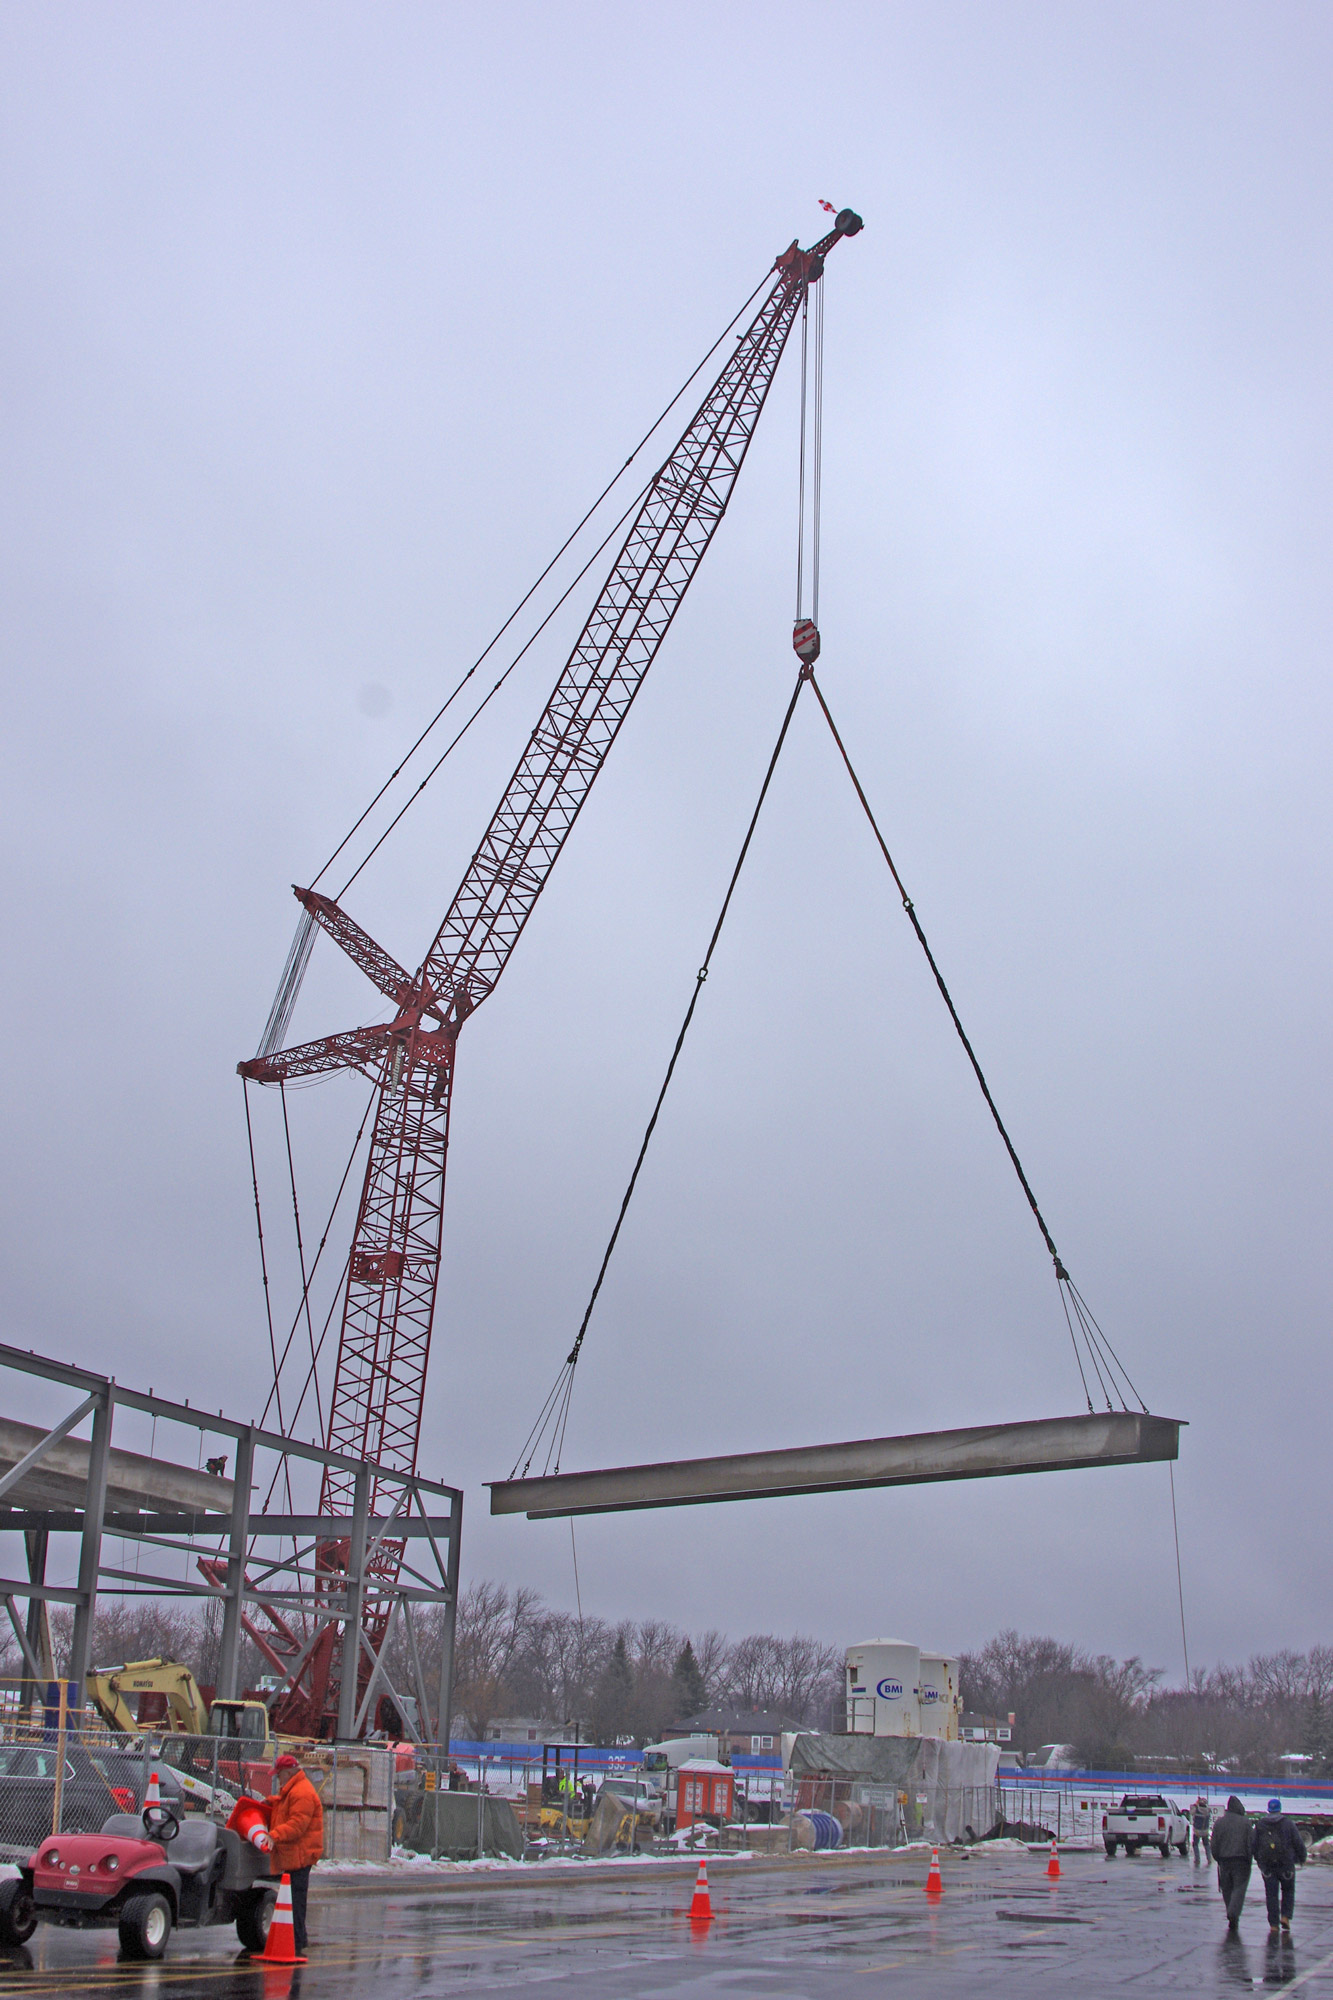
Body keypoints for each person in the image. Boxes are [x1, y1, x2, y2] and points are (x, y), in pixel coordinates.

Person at [261, 1753, 324, 1958]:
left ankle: (296, 1943)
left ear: (288, 1773)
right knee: (294, 1901)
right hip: (297, 1855)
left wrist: (274, 1835)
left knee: (295, 1902)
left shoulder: (301, 1793)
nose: (277, 1779)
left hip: (300, 1856)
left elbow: (297, 1825)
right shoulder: (295, 1790)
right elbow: (287, 1808)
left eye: (279, 1775)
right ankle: (299, 1939)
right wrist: (270, 1803)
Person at [1252, 1797, 1306, 1934]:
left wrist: (1259, 1861)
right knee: (1288, 1891)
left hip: (1268, 1866)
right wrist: (1301, 1858)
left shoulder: (1260, 1824)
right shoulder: (1288, 1824)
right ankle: (1285, 1916)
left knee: (1271, 1895)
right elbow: (1298, 1842)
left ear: (1268, 1810)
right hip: (1286, 1864)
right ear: (1280, 1809)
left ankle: (1273, 1924)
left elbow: (1254, 1844)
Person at [1209, 1794, 1253, 1930]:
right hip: (1241, 1861)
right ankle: (1233, 1913)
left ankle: (1231, 1912)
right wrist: (1249, 1857)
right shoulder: (1246, 1823)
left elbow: (1214, 1843)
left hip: (1224, 1861)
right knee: (1239, 1888)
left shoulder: (1219, 1823)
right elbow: (1250, 1843)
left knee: (1226, 1889)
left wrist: (1218, 1858)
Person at [1191, 1795, 1212, 1861]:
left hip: (1197, 1830)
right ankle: (1209, 1858)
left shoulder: (1196, 1809)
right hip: (1205, 1830)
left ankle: (1197, 1859)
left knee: (1195, 1844)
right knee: (1206, 1845)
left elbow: (1191, 1812)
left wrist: (1196, 1804)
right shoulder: (1208, 1810)